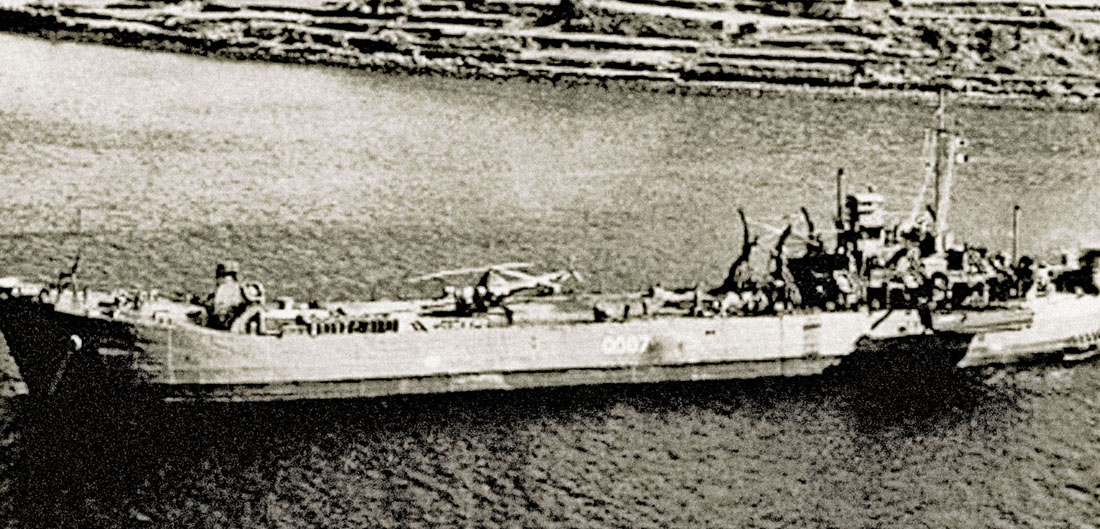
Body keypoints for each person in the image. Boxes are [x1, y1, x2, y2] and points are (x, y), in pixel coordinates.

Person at [208, 261, 247, 329]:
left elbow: (236, 302)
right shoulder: (229, 286)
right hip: (224, 313)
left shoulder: (229, 286)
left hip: (227, 313)